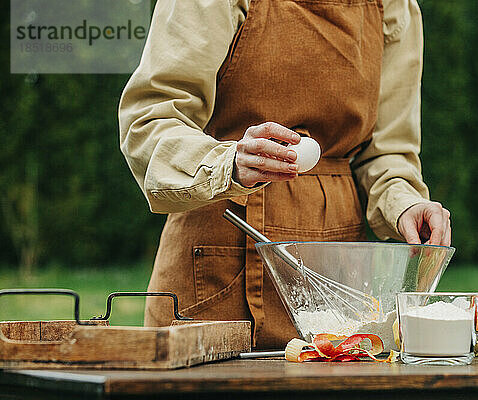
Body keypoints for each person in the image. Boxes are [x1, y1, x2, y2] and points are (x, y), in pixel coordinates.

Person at [118, 0, 451, 350]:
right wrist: (228, 162)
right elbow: (150, 120)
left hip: (336, 280)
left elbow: (386, 152)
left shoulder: (393, 6)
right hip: (217, 266)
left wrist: (405, 203)